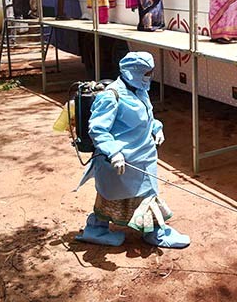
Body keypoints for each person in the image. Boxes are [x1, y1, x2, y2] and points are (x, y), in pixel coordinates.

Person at [76, 52, 189, 248]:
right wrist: (113, 152)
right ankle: (96, 230)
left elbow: (147, 115)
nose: (149, 77)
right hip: (121, 160)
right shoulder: (111, 96)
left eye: (150, 72)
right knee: (110, 195)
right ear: (132, 72)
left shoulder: (140, 90)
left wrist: (156, 128)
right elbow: (97, 128)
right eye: (145, 73)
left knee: (147, 193)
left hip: (143, 156)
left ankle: (153, 231)